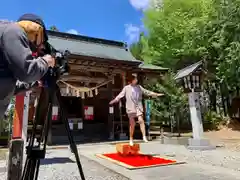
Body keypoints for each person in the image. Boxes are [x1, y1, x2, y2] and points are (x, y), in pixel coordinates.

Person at [0, 13, 55, 119]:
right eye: (42, 40)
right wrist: (45, 61)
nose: (41, 46)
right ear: (36, 30)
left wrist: (33, 83)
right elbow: (27, 72)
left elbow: (8, 86)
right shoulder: (13, 30)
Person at [109, 75, 164, 146]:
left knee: (141, 120)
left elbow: (147, 92)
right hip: (130, 107)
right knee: (132, 124)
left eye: (136, 79)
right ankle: (131, 139)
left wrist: (156, 94)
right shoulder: (126, 88)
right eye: (135, 79)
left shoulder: (139, 87)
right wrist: (114, 100)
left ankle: (144, 136)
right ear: (131, 80)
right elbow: (120, 95)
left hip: (138, 106)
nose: (136, 80)